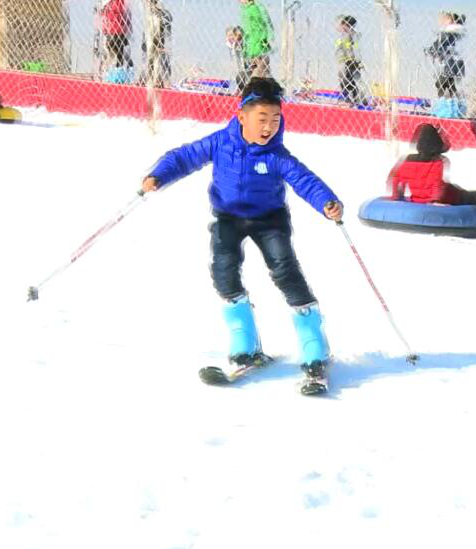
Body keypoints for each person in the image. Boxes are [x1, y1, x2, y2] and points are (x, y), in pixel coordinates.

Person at [140, 77, 343, 385]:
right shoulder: (220, 142)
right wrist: (158, 175)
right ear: (242, 117)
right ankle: (244, 343)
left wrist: (327, 202)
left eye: (275, 119)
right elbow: (184, 157)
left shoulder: (276, 155)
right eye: (262, 119)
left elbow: (305, 180)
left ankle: (313, 346)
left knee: (285, 270)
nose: (269, 127)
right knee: (223, 271)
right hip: (228, 217)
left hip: (269, 219)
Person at [388, 123, 476, 233]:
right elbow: (437, 182)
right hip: (447, 199)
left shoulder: (407, 160)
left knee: (457, 187)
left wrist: (396, 197)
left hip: (418, 199)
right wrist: (435, 201)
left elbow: (395, 179)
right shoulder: (438, 161)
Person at [425, 12, 466, 119]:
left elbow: (440, 45)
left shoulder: (447, 32)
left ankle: (444, 108)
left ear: (449, 21)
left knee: (441, 84)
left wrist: (431, 50)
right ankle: (455, 108)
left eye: (443, 20)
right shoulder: (457, 33)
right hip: (457, 65)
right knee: (451, 86)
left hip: (448, 65)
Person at [335, 15, 366, 107]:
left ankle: (353, 99)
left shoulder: (352, 35)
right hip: (345, 60)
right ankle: (356, 98)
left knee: (349, 80)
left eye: (342, 25)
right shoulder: (343, 35)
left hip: (350, 61)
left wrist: (358, 60)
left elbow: (356, 48)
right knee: (350, 79)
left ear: (345, 25)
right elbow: (338, 48)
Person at [141, 0, 172, 88]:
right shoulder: (151, 14)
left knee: (156, 60)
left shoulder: (161, 14)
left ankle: (156, 81)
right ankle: (153, 80)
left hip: (156, 41)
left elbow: (166, 31)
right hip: (152, 40)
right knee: (151, 60)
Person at [240, 0, 273, 80]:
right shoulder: (246, 10)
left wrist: (265, 38)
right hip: (251, 46)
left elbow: (265, 24)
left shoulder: (255, 8)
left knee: (261, 69)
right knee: (254, 69)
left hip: (258, 44)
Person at [100, 0, 131, 70]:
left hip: (109, 33)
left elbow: (104, 19)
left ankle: (106, 70)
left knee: (111, 55)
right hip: (118, 32)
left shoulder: (107, 5)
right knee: (120, 56)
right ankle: (119, 70)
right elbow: (126, 19)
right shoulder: (119, 3)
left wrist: (104, 30)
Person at [225, 26, 248, 93]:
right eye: (229, 35)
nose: (231, 37)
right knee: (233, 77)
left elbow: (240, 42)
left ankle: (239, 90)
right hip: (235, 67)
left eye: (232, 35)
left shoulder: (239, 44)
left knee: (241, 77)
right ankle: (233, 91)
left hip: (241, 67)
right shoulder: (229, 44)